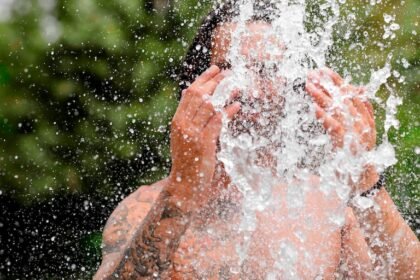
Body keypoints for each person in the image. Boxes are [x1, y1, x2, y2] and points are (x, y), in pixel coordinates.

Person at [94, 1, 419, 279]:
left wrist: (362, 173)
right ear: (195, 87)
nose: (251, 91)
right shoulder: (144, 209)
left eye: (266, 70)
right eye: (230, 70)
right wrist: (183, 188)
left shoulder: (326, 212)